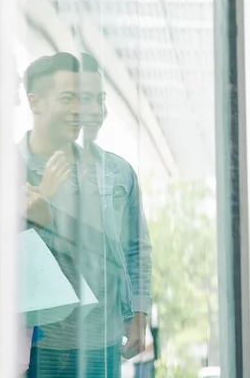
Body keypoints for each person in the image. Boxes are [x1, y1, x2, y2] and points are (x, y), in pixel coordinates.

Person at [20, 52, 152, 377]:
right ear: (36, 103)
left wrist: (138, 313)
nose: (82, 110)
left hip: (100, 342)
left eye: (88, 99)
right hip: (35, 345)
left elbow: (136, 249)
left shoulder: (115, 174)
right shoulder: (6, 170)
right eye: (70, 99)